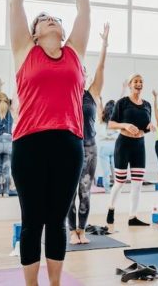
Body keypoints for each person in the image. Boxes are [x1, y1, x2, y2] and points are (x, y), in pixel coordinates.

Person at [9, 0, 89, 286]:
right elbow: (15, 4)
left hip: (69, 143)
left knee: (57, 220)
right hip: (28, 144)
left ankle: (55, 284)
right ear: (36, 33)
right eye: (45, 19)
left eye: (56, 17)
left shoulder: (74, 53)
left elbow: (84, 13)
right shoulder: (25, 52)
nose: (52, 20)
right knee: (32, 221)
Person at [67, 23, 109, 244]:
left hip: (90, 146)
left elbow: (101, 69)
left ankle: (82, 229)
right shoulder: (64, 94)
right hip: (68, 146)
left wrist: (104, 44)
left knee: (85, 190)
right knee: (68, 193)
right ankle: (72, 230)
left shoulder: (91, 94)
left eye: (83, 71)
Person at [106, 74, 154, 227]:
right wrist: (125, 125)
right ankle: (111, 208)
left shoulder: (147, 105)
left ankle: (133, 217)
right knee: (119, 182)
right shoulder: (122, 103)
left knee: (137, 183)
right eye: (136, 81)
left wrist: (149, 127)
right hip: (123, 144)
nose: (139, 83)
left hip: (139, 146)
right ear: (130, 85)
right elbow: (111, 124)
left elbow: (145, 125)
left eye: (141, 81)